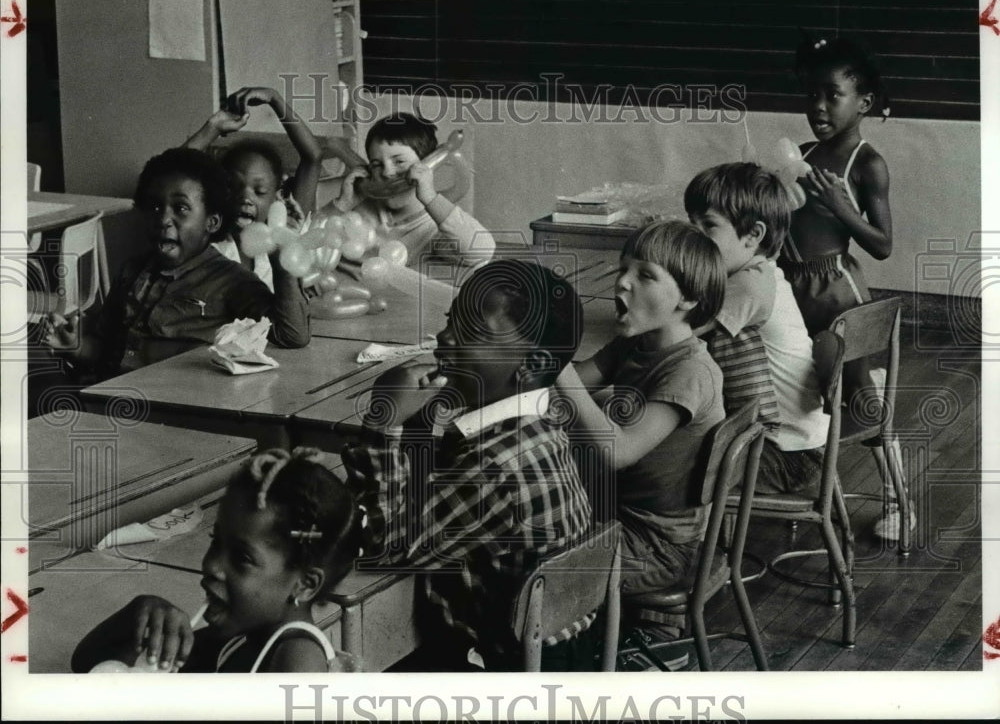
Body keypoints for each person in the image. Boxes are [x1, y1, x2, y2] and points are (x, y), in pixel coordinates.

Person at [341, 259, 592, 671]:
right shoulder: (544, 426)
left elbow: (387, 548)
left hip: (498, 676)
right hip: (560, 657)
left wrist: (383, 420)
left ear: (532, 364)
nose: (444, 339)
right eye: (450, 320)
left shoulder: (492, 466)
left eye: (471, 331)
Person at [554, 220, 726, 661]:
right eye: (622, 268)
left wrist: (552, 363)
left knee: (518, 556)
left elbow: (617, 451)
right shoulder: (634, 345)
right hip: (620, 522)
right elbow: (566, 392)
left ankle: (572, 653)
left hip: (658, 550)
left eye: (645, 275)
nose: (622, 283)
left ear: (688, 298)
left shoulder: (689, 371)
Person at [72, 448, 362, 673]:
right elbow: (88, 664)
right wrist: (137, 612)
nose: (211, 565)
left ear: (304, 585)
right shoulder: (238, 640)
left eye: (242, 557)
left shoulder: (298, 660)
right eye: (215, 542)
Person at [781, 34, 908, 540]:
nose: (818, 105)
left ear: (864, 104)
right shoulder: (803, 155)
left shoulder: (867, 162)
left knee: (856, 398)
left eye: (832, 95)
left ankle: (900, 497)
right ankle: (814, 491)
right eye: (812, 93)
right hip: (793, 289)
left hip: (837, 290)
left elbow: (882, 245)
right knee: (800, 389)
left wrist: (840, 206)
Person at [41, 148, 309, 379]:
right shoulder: (132, 272)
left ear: (211, 222)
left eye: (180, 208)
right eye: (155, 207)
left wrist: (282, 258)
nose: (163, 219)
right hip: (118, 401)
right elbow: (107, 351)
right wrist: (74, 346)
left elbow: (292, 335)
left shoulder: (231, 279)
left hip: (181, 410)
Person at [686, 162, 829, 495]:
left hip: (781, 456)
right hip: (791, 445)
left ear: (753, 235)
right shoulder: (758, 273)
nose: (694, 238)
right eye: (691, 225)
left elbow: (679, 336)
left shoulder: (748, 287)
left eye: (708, 226)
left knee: (662, 457)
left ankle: (682, 540)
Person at [185, 86, 324, 291]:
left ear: (277, 199)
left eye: (259, 191)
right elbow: (174, 171)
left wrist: (275, 99)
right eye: (234, 186)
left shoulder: (283, 237)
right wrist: (213, 127)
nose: (246, 197)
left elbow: (313, 157)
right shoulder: (209, 240)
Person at [320, 112, 495, 272]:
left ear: (426, 166)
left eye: (399, 162)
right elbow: (307, 241)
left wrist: (430, 198)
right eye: (376, 164)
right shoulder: (357, 207)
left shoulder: (433, 225)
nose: (387, 173)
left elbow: (483, 250)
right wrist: (341, 205)